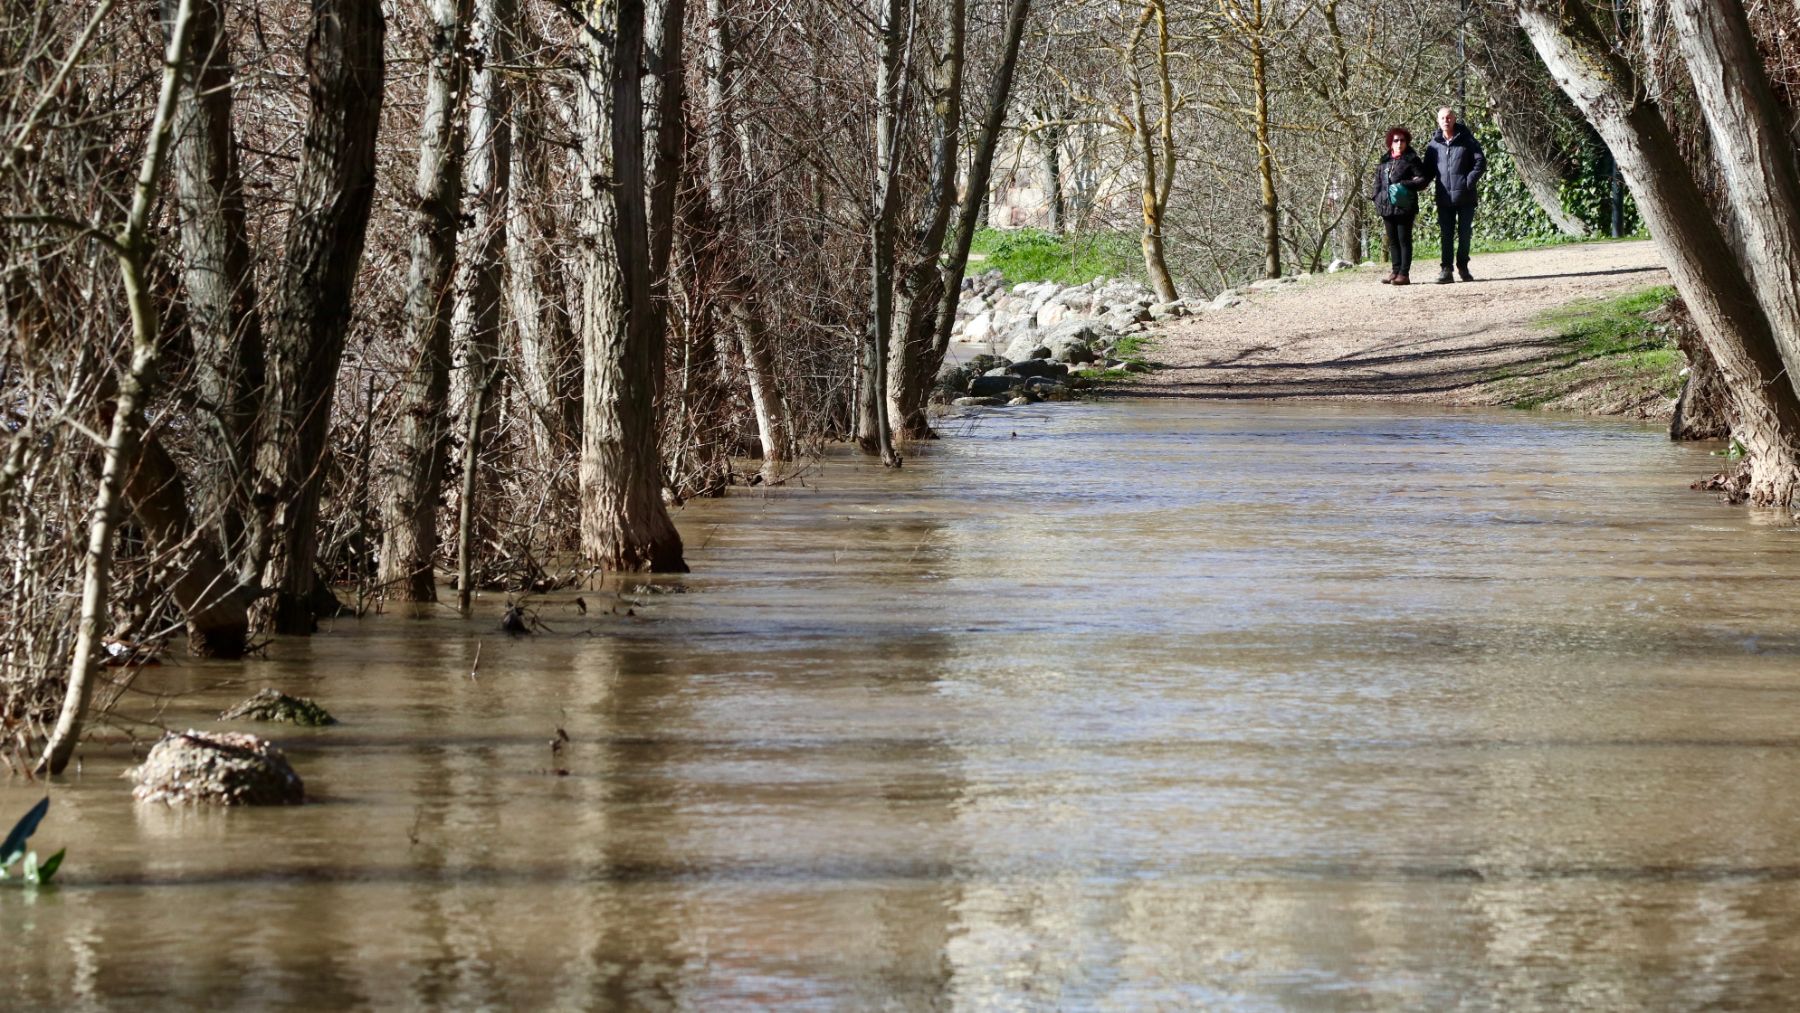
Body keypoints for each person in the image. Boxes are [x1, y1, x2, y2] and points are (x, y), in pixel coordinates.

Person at [1422, 106, 1486, 284]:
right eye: (1442, 118)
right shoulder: (1434, 145)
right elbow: (1428, 170)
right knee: (1446, 235)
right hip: (1444, 198)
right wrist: (1415, 183)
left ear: (1454, 119)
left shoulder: (1467, 140)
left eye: (1449, 117)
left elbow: (1480, 162)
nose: (1446, 120)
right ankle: (1446, 269)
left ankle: (1463, 266)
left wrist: (1468, 182)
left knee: (1465, 233)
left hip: (1465, 197)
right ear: (1438, 121)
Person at [1371, 126, 1430, 286]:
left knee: (1404, 239)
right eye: (1396, 140)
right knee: (1392, 240)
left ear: (1407, 142)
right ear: (1390, 142)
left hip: (1405, 206)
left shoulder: (1412, 159)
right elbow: (1377, 181)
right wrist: (1376, 197)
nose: (1399, 143)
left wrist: (1404, 184)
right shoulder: (1384, 160)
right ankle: (1395, 271)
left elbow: (1423, 180)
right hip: (1386, 206)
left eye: (1402, 140)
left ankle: (1404, 274)